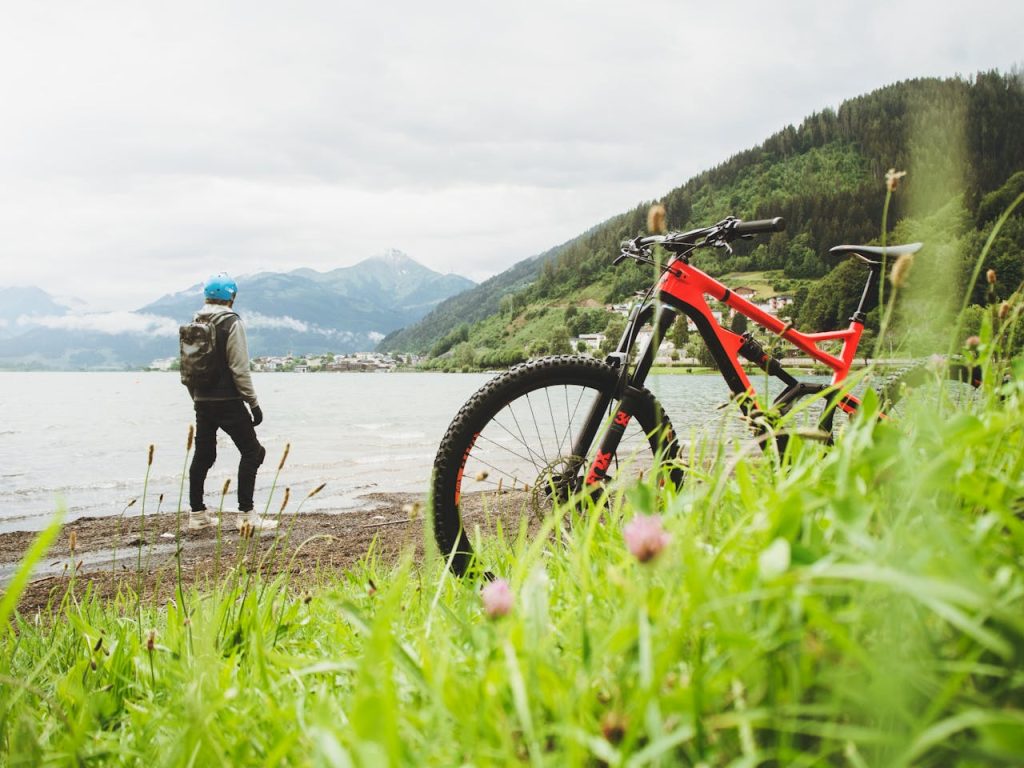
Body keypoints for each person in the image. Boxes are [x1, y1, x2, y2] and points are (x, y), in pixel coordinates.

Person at [186, 273, 277, 532]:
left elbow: (188, 367)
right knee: (253, 452)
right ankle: (246, 514)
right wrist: (253, 403)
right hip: (227, 400)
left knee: (203, 455)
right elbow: (239, 369)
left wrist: (196, 398)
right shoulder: (230, 322)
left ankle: (197, 515)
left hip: (201, 399)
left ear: (206, 296)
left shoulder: (194, 322)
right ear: (232, 298)